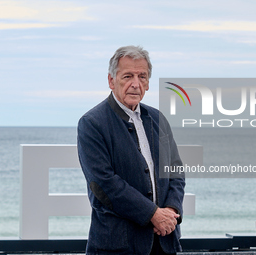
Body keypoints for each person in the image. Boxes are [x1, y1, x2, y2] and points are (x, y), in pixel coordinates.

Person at [77, 45, 185, 255]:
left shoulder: (158, 119)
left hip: (164, 243)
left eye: (142, 76)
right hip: (117, 245)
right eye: (128, 76)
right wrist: (153, 214)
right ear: (111, 81)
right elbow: (103, 184)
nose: (136, 84)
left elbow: (175, 170)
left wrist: (171, 212)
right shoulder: (92, 123)